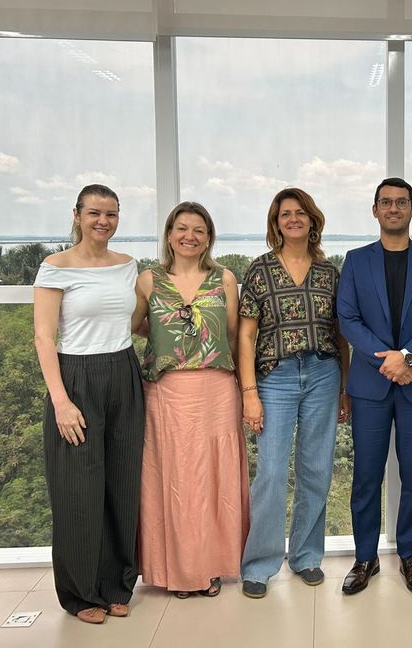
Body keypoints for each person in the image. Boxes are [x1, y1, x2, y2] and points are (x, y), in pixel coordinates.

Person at [337, 178, 412, 596]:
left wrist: (406, 357)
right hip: (370, 387)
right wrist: (388, 360)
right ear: (374, 211)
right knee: (366, 476)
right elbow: (347, 319)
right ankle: (364, 558)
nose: (393, 208)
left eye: (401, 202)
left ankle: (410, 557)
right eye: (385, 202)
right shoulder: (355, 260)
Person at [33, 184, 144, 624]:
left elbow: (134, 321)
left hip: (124, 372)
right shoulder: (55, 267)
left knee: (122, 483)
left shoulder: (127, 266)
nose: (104, 221)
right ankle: (81, 594)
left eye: (112, 214)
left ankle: (118, 584)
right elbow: (44, 337)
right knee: (78, 490)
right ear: (77, 215)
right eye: (95, 213)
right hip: (75, 378)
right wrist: (61, 401)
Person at [133, 201, 250, 599]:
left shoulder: (225, 279)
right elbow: (135, 326)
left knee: (213, 480)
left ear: (209, 238)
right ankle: (179, 571)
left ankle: (212, 565)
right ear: (169, 235)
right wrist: (173, 343)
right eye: (182, 228)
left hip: (217, 389)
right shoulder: (148, 279)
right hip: (166, 392)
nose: (190, 236)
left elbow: (233, 334)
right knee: (174, 480)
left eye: (199, 230)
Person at [238, 188, 350, 599]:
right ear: (276, 222)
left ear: (312, 220)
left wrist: (344, 389)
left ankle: (305, 556)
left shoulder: (329, 273)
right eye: (286, 214)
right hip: (275, 378)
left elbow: (341, 338)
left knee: (316, 469)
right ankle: (260, 564)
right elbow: (246, 336)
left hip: (323, 374)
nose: (293, 219)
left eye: (300, 213)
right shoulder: (260, 270)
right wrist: (249, 392)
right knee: (269, 473)